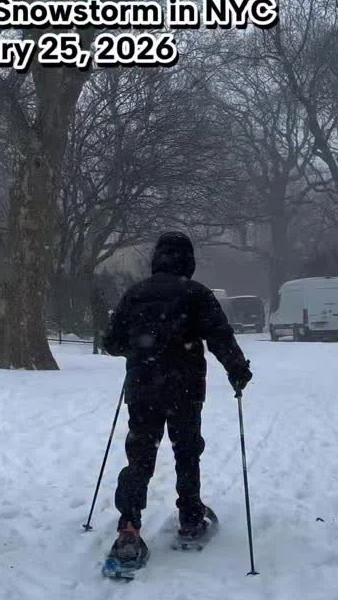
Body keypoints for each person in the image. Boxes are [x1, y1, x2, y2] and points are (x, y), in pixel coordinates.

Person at [102, 231, 252, 567]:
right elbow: (220, 336)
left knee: (140, 455)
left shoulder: (135, 293)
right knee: (187, 451)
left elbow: (111, 342)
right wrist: (238, 370)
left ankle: (129, 527)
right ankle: (190, 518)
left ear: (156, 259)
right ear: (188, 261)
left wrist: (140, 347)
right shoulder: (196, 294)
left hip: (143, 388)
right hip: (185, 389)